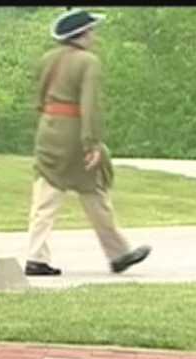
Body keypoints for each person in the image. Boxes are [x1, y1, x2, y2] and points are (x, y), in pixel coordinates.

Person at [24, 8, 152, 277]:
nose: (93, 35)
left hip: (48, 130)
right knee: (95, 193)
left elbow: (38, 99)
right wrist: (92, 143)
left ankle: (36, 256)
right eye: (90, 31)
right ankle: (117, 253)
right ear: (80, 35)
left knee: (46, 197)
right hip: (74, 133)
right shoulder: (88, 62)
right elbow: (89, 105)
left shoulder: (48, 59)